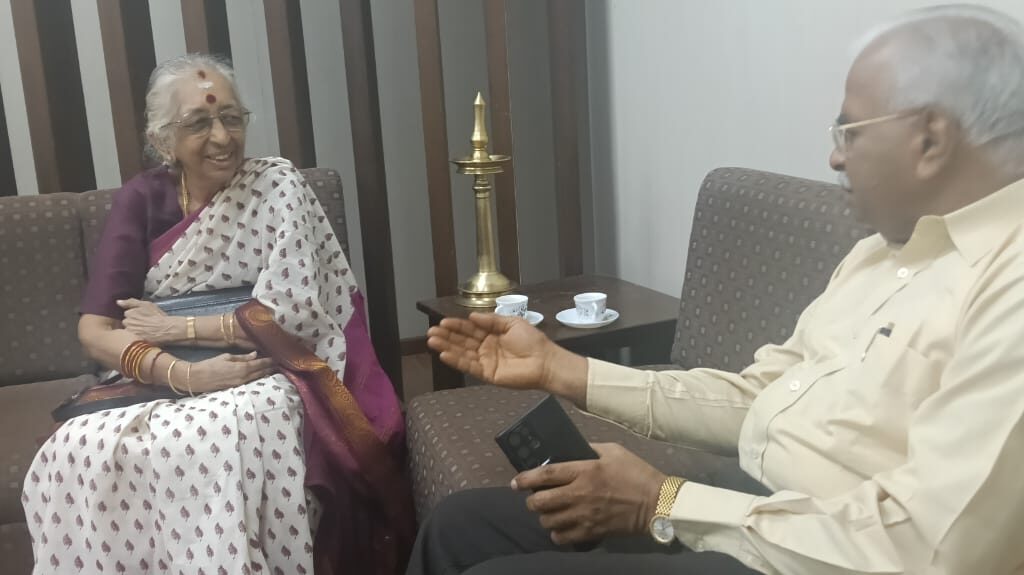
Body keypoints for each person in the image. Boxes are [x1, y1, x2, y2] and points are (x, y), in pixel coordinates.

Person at [409, 5, 1024, 575]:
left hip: (833, 552)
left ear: (930, 138)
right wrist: (562, 369)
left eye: (850, 133)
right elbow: (762, 396)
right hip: (759, 510)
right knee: (461, 526)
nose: (835, 159)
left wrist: (661, 499)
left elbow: (928, 548)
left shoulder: (1008, 286)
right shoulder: (880, 252)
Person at [22, 54, 413, 575]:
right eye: (199, 123)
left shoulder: (277, 187)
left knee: (227, 433)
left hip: (265, 364)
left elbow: (293, 314)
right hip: (164, 368)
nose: (222, 137)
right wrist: (184, 374)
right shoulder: (142, 199)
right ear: (164, 140)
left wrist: (178, 327)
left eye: (231, 118)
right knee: (76, 447)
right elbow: (94, 331)